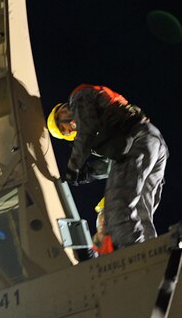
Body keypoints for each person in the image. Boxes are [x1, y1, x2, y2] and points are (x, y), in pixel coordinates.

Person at [47, 84, 168, 250]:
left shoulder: (78, 98)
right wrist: (86, 174)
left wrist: (72, 167)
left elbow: (86, 132)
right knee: (141, 213)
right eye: (65, 132)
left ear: (60, 112)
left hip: (137, 141)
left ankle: (135, 261)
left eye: (63, 127)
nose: (68, 129)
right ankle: (153, 254)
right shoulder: (101, 126)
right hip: (152, 143)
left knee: (117, 210)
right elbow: (109, 165)